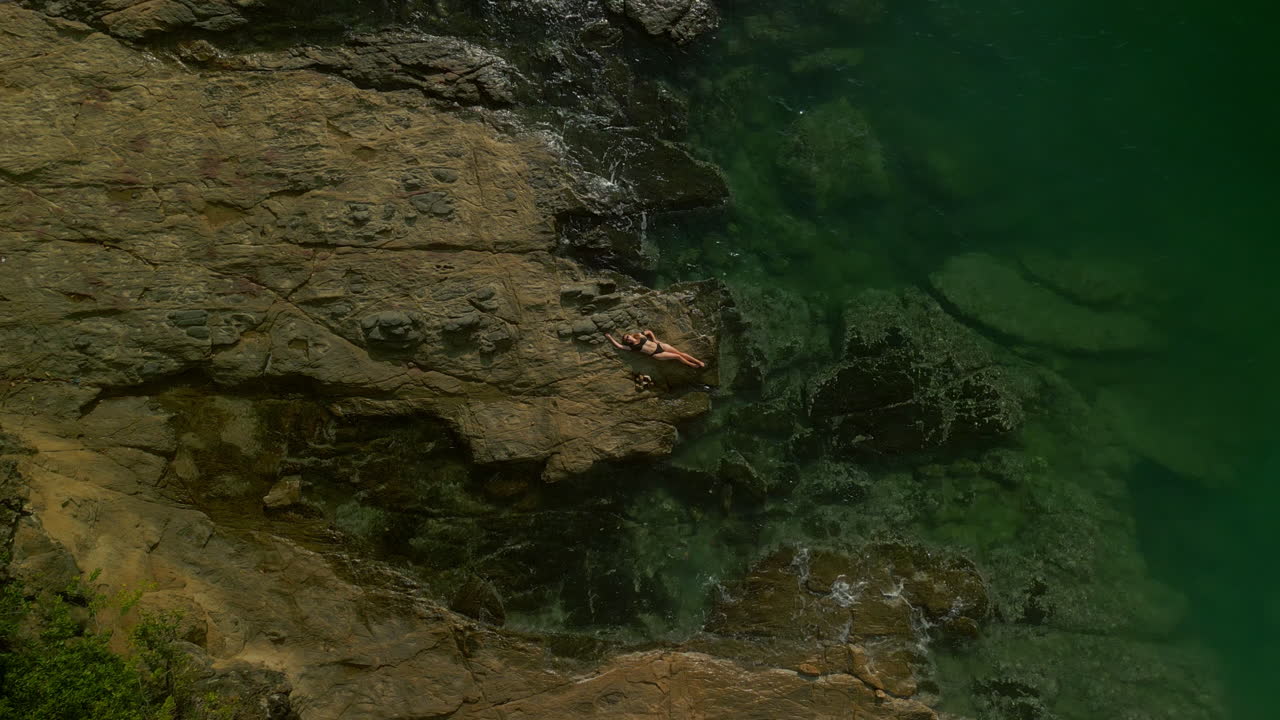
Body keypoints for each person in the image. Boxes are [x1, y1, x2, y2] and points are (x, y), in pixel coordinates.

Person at [605, 329, 706, 369]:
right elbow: (619, 346)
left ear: (630, 335)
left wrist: (655, 339)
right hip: (656, 354)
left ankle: (698, 361)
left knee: (680, 353)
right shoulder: (632, 347)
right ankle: (691, 365)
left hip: (660, 345)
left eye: (627, 336)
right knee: (677, 356)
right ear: (627, 342)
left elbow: (649, 331)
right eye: (626, 339)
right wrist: (610, 338)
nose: (628, 339)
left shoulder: (639, 335)